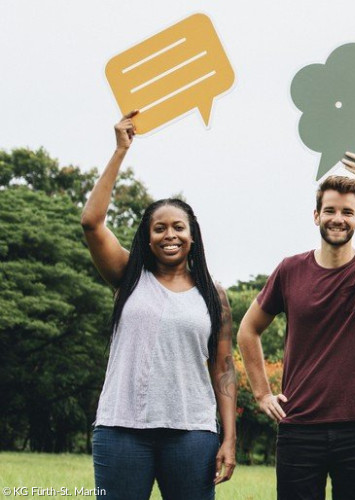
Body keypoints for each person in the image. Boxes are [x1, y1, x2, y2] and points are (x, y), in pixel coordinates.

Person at [237, 144, 355, 499]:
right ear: (316, 215)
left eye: (348, 212)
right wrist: (261, 393)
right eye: (330, 210)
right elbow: (248, 330)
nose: (338, 218)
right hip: (299, 426)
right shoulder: (290, 270)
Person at [80, 110, 237, 499]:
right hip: (121, 431)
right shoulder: (128, 277)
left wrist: (229, 438)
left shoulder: (213, 296)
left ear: (192, 236)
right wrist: (120, 151)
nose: (170, 235)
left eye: (178, 227)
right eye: (160, 228)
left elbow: (223, 368)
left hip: (192, 435)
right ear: (147, 238)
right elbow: (91, 222)